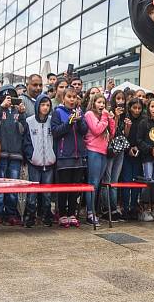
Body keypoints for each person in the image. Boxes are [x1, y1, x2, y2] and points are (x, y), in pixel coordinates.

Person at [51, 86, 88, 228]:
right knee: (63, 188)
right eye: (69, 97)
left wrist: (78, 120)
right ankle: (62, 215)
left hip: (78, 156)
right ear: (63, 98)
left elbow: (84, 131)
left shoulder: (79, 112)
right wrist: (69, 122)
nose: (72, 100)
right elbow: (55, 132)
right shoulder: (57, 112)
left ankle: (72, 214)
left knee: (74, 187)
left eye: (74, 97)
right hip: (64, 156)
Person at [0, 85, 26, 226]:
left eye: (11, 97)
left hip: (16, 154)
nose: (8, 99)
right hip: (1, 154)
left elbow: (24, 130)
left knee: (13, 185)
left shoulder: (19, 112)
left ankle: (11, 213)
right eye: (5, 96)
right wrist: (1, 108)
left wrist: (22, 114)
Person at [22, 95, 55, 228]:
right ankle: (31, 215)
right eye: (42, 105)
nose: (45, 107)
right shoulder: (29, 121)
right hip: (34, 163)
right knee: (33, 191)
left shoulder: (52, 121)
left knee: (47, 192)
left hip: (49, 162)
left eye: (47, 105)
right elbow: (26, 142)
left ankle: (46, 214)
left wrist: (53, 156)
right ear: (37, 106)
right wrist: (31, 157)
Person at [83, 93, 115, 226]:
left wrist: (112, 119)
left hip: (103, 151)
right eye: (99, 102)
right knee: (93, 183)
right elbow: (96, 130)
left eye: (103, 103)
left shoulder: (104, 116)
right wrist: (105, 117)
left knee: (98, 183)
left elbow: (111, 133)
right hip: (93, 150)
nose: (101, 105)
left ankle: (93, 211)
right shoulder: (89, 114)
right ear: (93, 103)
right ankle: (90, 212)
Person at [102, 89, 127, 221]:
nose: (120, 101)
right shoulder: (109, 112)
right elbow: (111, 132)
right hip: (110, 148)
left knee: (115, 180)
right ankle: (107, 209)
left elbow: (125, 134)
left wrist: (127, 126)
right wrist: (116, 117)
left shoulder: (125, 114)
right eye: (118, 98)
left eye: (122, 99)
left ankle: (114, 208)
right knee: (107, 179)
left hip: (121, 148)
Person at [119, 97, 145, 219]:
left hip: (139, 153)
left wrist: (138, 148)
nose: (137, 110)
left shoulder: (144, 120)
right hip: (126, 153)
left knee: (136, 181)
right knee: (126, 180)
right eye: (134, 108)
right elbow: (123, 136)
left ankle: (134, 206)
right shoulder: (126, 119)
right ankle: (125, 206)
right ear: (130, 108)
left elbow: (144, 137)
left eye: (139, 108)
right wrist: (128, 148)